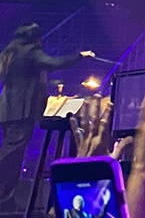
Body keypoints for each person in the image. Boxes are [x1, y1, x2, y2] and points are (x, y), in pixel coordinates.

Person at [0, 24, 94, 209]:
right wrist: (79, 56)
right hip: (21, 111)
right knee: (11, 155)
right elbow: (53, 63)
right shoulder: (29, 52)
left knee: (13, 155)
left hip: (9, 110)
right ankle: (4, 199)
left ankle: (5, 199)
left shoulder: (10, 52)